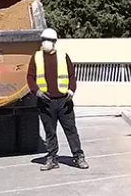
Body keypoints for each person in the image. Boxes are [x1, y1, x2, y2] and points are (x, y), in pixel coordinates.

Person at [27, 28, 87, 171]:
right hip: (45, 102)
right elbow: (30, 77)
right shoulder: (36, 57)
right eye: (44, 40)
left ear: (54, 42)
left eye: (49, 40)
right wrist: (37, 92)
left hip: (64, 102)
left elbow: (72, 75)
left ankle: (78, 156)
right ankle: (52, 159)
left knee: (71, 130)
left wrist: (72, 91)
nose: (46, 43)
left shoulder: (63, 56)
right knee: (50, 131)